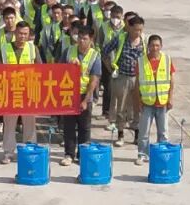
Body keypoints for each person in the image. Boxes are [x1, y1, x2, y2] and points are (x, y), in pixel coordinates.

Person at [61, 26, 102, 166]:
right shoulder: (68, 51)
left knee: (84, 127)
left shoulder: (95, 56)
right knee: (69, 126)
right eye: (79, 37)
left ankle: (82, 154)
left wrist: (86, 100)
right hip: (69, 93)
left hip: (85, 94)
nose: (81, 41)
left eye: (85, 38)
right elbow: (59, 71)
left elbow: (94, 80)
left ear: (91, 39)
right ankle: (69, 154)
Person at [0, 21, 39, 164]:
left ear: (28, 35)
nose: (22, 36)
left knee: (29, 122)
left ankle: (29, 149)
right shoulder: (5, 48)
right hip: (10, 90)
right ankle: (8, 152)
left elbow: (41, 69)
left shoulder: (33, 48)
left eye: (25, 34)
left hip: (28, 90)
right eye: (20, 33)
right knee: (9, 123)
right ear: (15, 33)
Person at [104, 14, 146, 147]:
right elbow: (105, 51)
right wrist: (110, 68)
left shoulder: (144, 40)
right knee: (121, 108)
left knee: (137, 107)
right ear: (129, 28)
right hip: (122, 77)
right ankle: (120, 134)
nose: (138, 32)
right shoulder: (121, 38)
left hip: (138, 79)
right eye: (136, 29)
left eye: (140, 30)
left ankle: (137, 134)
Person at [135, 34, 176, 165]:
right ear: (148, 46)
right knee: (144, 131)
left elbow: (171, 81)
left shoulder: (167, 60)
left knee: (163, 132)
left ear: (161, 46)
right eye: (152, 45)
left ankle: (161, 154)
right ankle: (142, 154)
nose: (155, 48)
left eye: (157, 45)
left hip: (162, 103)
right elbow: (137, 83)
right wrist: (138, 101)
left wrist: (170, 98)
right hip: (147, 102)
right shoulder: (141, 61)